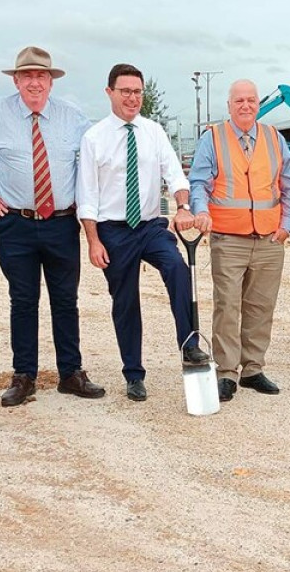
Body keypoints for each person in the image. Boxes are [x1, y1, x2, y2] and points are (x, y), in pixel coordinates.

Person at [0, 46, 105, 406]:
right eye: (28, 76)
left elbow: (93, 159)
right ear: (16, 80)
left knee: (65, 300)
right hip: (16, 224)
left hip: (60, 223)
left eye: (42, 76)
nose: (35, 83)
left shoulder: (72, 116)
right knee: (23, 300)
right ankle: (24, 376)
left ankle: (70, 372)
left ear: (51, 82)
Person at [77, 63, 211, 402]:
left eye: (137, 92)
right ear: (110, 93)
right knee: (125, 302)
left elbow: (175, 175)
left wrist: (183, 206)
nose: (132, 98)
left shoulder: (154, 131)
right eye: (125, 91)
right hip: (113, 230)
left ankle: (190, 345)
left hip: (151, 224)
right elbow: (88, 196)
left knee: (177, 268)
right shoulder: (94, 138)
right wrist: (93, 241)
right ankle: (133, 374)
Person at [185, 79, 290, 402]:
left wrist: (287, 224)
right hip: (228, 239)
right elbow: (199, 183)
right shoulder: (214, 139)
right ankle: (225, 372)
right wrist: (200, 211)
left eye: (251, 100)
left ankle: (252, 368)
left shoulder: (274, 138)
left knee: (261, 306)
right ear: (229, 106)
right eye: (239, 101)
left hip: (268, 239)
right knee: (228, 306)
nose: (246, 106)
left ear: (257, 103)